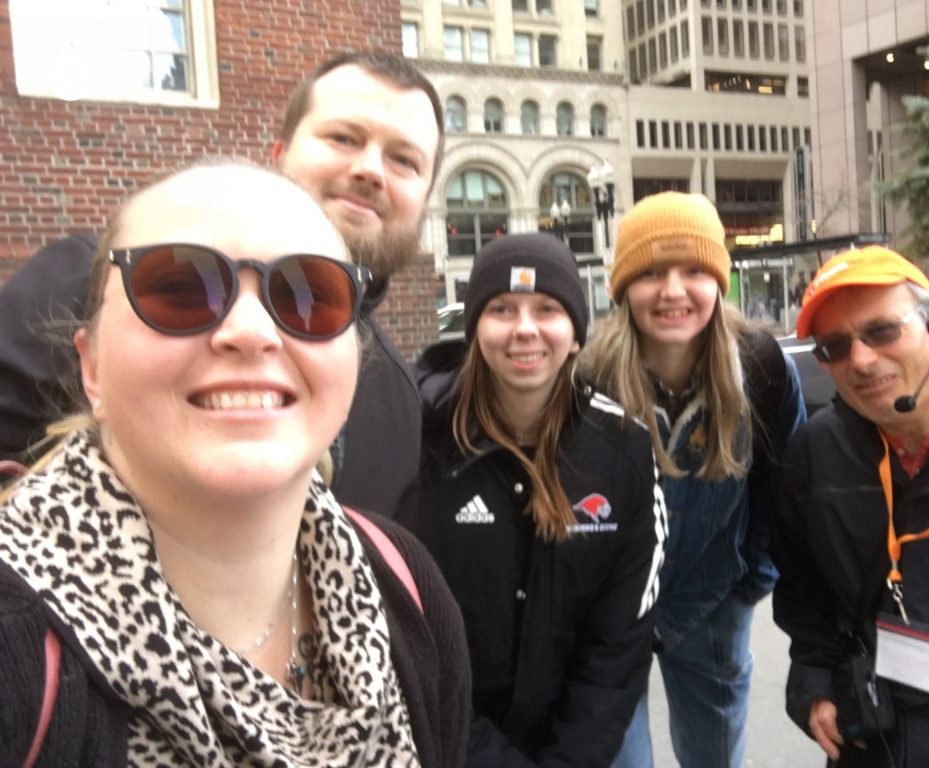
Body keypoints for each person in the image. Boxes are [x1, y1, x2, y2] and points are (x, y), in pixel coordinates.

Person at [0, 162, 470, 766]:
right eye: (179, 288)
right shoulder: (17, 644)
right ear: (91, 369)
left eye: (309, 296)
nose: (251, 332)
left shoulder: (406, 585)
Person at [0, 50, 442, 520]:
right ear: (279, 155)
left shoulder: (398, 400)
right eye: (343, 137)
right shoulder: (104, 281)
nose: (370, 169)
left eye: (404, 160)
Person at [405, 232, 667, 766]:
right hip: (454, 741)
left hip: (580, 738)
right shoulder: (417, 445)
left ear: (574, 333)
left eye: (546, 308)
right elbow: (406, 633)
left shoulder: (624, 450)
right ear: (476, 329)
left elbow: (620, 637)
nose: (525, 328)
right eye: (502, 309)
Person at [772, 245, 929, 768]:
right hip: (885, 740)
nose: (861, 361)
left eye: (882, 331)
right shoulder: (817, 455)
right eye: (834, 347)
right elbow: (804, 591)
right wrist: (815, 676)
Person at [581, 192, 806, 768]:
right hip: (607, 620)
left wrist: (746, 587)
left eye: (694, 271)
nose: (673, 290)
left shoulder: (761, 367)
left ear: (719, 281)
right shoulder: (587, 378)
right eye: (651, 272)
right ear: (623, 285)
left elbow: (786, 497)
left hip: (712, 606)